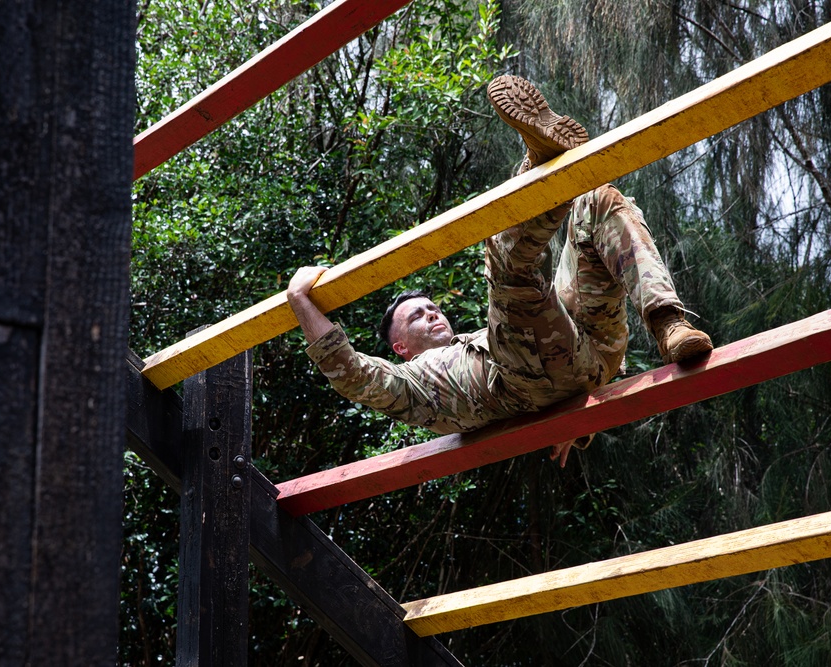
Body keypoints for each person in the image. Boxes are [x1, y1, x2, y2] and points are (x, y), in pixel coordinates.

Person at [287, 75, 713, 467]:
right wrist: (299, 299)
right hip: (536, 377)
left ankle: (667, 322)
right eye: (417, 316)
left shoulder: (480, 339)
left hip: (592, 346)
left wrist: (575, 424)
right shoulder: (411, 385)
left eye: (432, 307)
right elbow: (355, 377)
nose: (433, 314)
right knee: (507, 270)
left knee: (596, 201)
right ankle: (538, 170)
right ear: (399, 347)